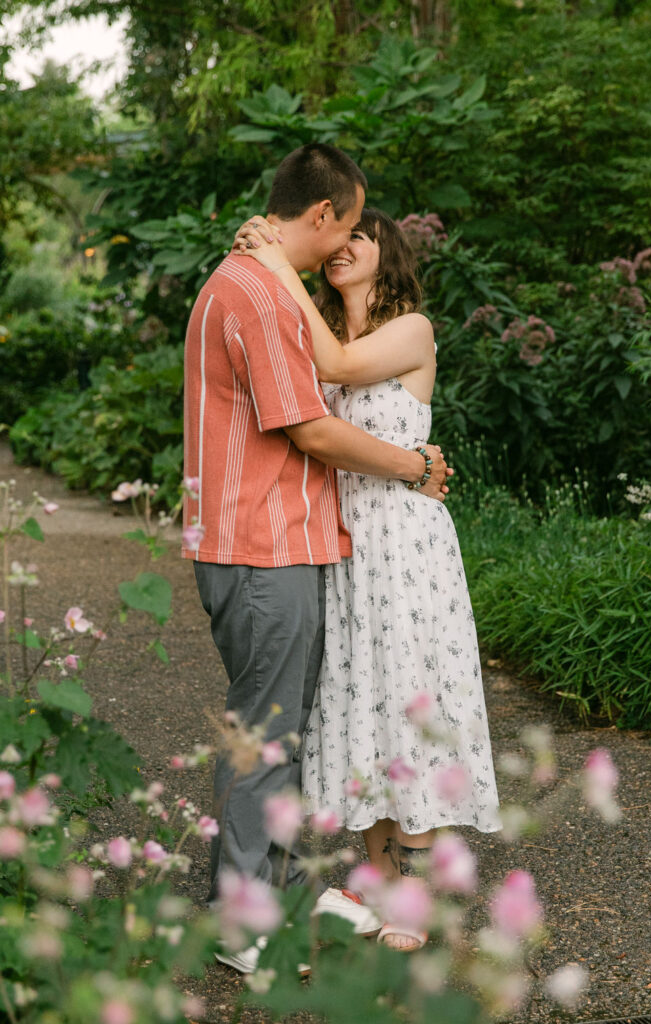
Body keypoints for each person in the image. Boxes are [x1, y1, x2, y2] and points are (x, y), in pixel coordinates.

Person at [182, 145, 450, 973]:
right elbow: (310, 427)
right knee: (266, 735)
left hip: (278, 541)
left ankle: (286, 885)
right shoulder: (263, 294)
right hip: (262, 545)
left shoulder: (258, 285)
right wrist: (414, 464)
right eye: (348, 219)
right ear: (326, 215)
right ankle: (244, 924)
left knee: (282, 730)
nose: (347, 241)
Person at [233, 206, 502, 953]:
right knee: (371, 704)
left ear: (389, 252)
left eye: (360, 236)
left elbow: (341, 372)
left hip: (406, 545)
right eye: (337, 237)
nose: (343, 247)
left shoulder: (409, 328)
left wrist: (279, 262)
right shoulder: (328, 332)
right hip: (347, 546)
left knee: (413, 697)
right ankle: (380, 887)